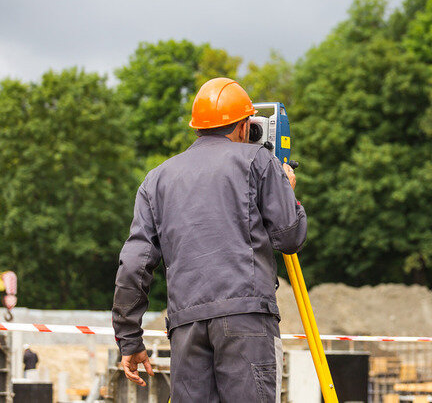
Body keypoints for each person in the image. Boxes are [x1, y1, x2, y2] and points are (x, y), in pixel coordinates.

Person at [112, 77, 307, 402]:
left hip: (186, 328)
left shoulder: (155, 180)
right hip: (246, 320)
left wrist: (129, 338)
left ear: (197, 127)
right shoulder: (258, 160)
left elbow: (133, 265)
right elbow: (290, 236)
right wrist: (285, 189)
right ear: (244, 125)